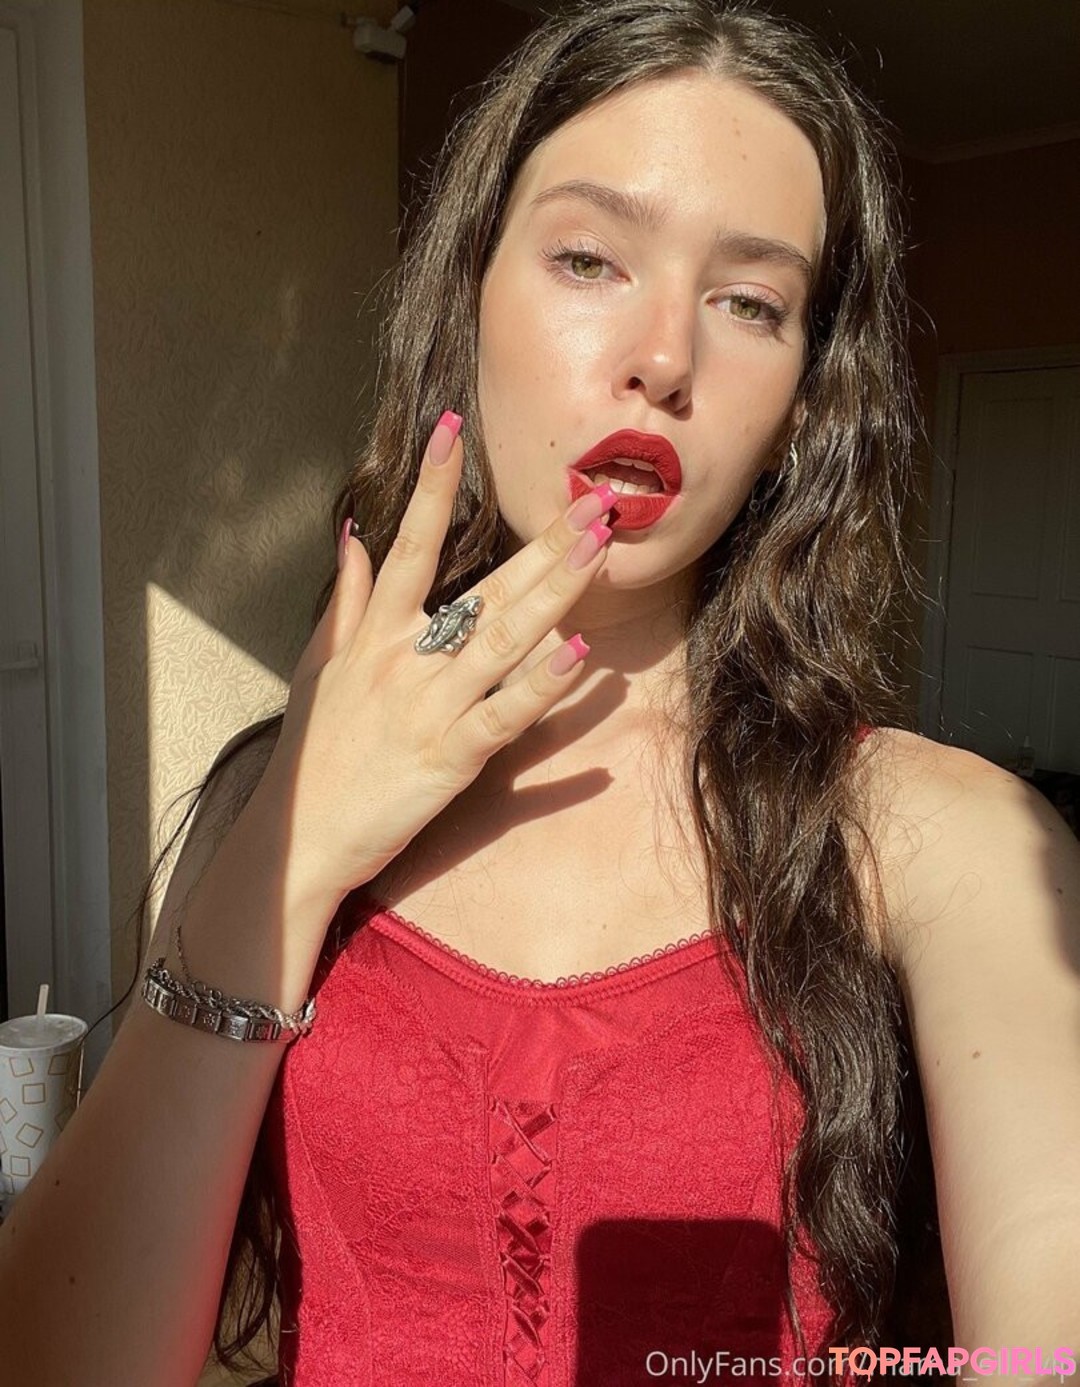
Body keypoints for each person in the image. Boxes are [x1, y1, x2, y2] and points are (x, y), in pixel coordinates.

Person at [2, 2, 1078, 1384]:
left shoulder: (946, 843)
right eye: (588, 258)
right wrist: (291, 845)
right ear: (467, 300)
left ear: (805, 406)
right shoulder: (269, 799)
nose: (665, 357)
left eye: (751, 303)